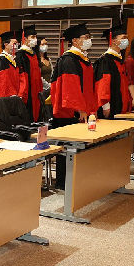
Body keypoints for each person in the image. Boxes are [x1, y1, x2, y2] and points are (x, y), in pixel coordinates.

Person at [50, 23, 97, 187]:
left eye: (89, 37)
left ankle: (77, 180)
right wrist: (80, 110)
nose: (89, 40)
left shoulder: (82, 58)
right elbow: (71, 88)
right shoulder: (69, 59)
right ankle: (64, 182)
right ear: (75, 41)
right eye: (86, 37)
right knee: (67, 148)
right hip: (69, 112)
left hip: (83, 109)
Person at [94, 24, 131, 119]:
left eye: (127, 38)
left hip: (121, 105)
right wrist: (105, 106)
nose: (126, 40)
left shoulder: (119, 59)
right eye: (123, 38)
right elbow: (103, 84)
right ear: (113, 41)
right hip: (111, 107)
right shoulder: (105, 60)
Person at [15, 25, 44, 122]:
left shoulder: (34, 54)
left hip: (36, 91)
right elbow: (21, 77)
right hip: (28, 92)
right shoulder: (20, 55)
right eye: (33, 37)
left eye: (35, 37)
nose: (35, 39)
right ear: (25, 39)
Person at [0, 30, 21, 98]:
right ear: (6, 45)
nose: (16, 46)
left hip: (15, 98)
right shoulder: (0, 60)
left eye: (17, 44)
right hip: (5, 99)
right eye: (14, 43)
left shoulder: (15, 60)